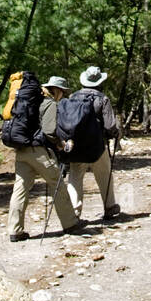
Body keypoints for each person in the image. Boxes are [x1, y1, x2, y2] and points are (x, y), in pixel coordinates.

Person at [6, 75, 79, 241]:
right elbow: (49, 132)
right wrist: (61, 144)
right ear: (58, 91)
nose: (63, 96)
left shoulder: (29, 101)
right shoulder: (49, 103)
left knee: (20, 188)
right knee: (57, 183)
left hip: (21, 150)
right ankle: (70, 224)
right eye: (63, 93)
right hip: (38, 151)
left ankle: (15, 230)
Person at [64, 65, 121, 222]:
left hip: (76, 146)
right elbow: (110, 125)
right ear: (99, 82)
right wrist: (115, 134)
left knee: (75, 178)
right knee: (104, 175)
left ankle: (73, 214)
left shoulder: (73, 97)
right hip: (97, 145)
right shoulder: (102, 99)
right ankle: (110, 207)